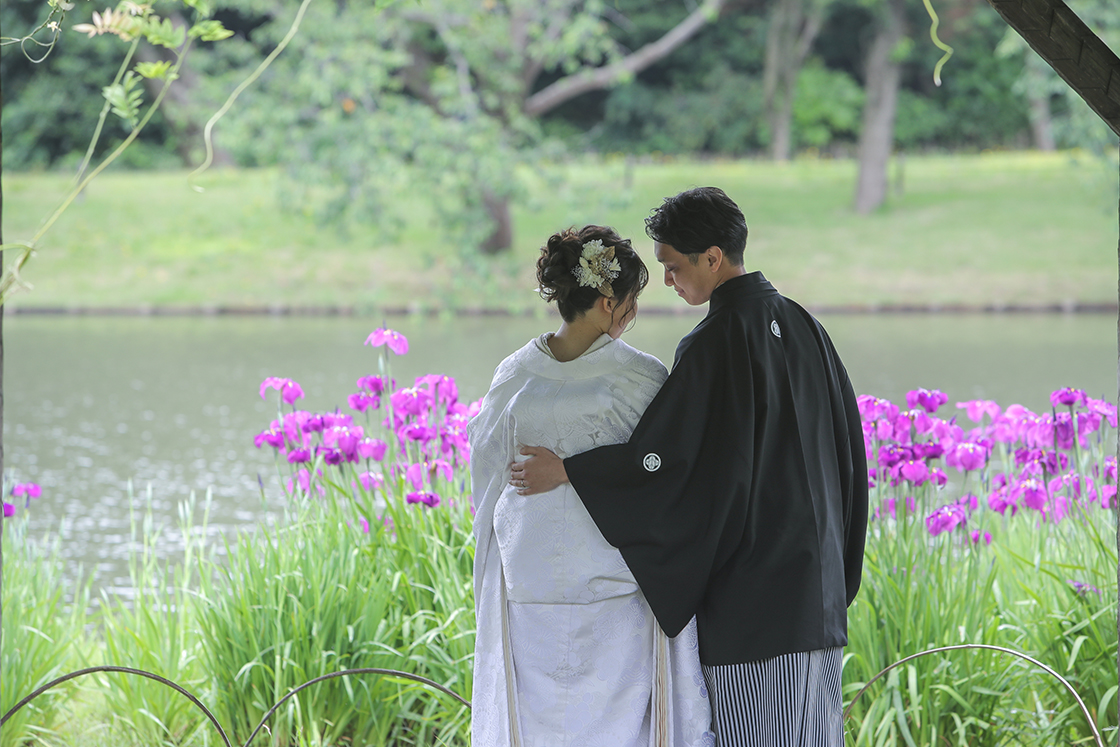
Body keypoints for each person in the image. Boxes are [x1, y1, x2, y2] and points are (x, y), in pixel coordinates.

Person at [511, 188, 869, 746]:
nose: (670, 282)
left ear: (712, 257)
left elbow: (670, 463)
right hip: (816, 592)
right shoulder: (804, 325)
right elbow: (849, 449)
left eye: (675, 267)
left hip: (753, 603)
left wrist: (573, 472)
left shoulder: (715, 342)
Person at [468, 225, 714, 747]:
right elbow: (669, 476)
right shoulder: (641, 379)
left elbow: (487, 483)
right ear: (606, 302)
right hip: (609, 586)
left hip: (534, 583)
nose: (632, 312)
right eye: (631, 301)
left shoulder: (513, 378)